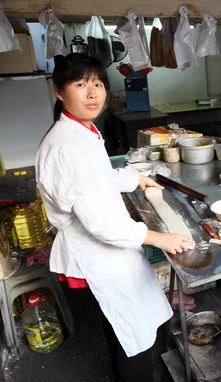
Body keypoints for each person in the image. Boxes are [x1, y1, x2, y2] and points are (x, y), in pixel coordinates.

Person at [36, 53, 194, 382]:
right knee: (132, 337)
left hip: (107, 252)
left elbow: (99, 177)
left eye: (97, 84)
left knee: (122, 328)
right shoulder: (66, 146)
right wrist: (158, 238)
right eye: (80, 84)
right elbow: (100, 222)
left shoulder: (81, 131)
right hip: (99, 254)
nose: (92, 93)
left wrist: (133, 179)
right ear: (59, 92)